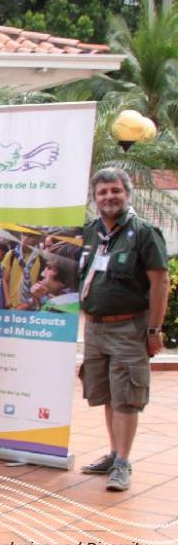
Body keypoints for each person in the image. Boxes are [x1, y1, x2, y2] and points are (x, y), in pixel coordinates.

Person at [77, 167, 168, 492]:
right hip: (96, 329)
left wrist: (154, 329)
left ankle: (123, 463)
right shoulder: (91, 232)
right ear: (95, 198)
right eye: (102, 192)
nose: (109, 197)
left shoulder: (144, 233)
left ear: (126, 194)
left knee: (127, 396)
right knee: (108, 395)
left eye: (115, 191)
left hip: (130, 328)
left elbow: (160, 282)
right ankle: (114, 453)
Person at [3, 231, 44, 310]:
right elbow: (5, 279)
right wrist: (7, 300)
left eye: (30, 236)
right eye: (24, 234)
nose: (25, 238)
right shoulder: (11, 255)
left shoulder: (41, 258)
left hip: (31, 306)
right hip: (12, 306)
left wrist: (28, 304)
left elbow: (41, 283)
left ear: (38, 239)